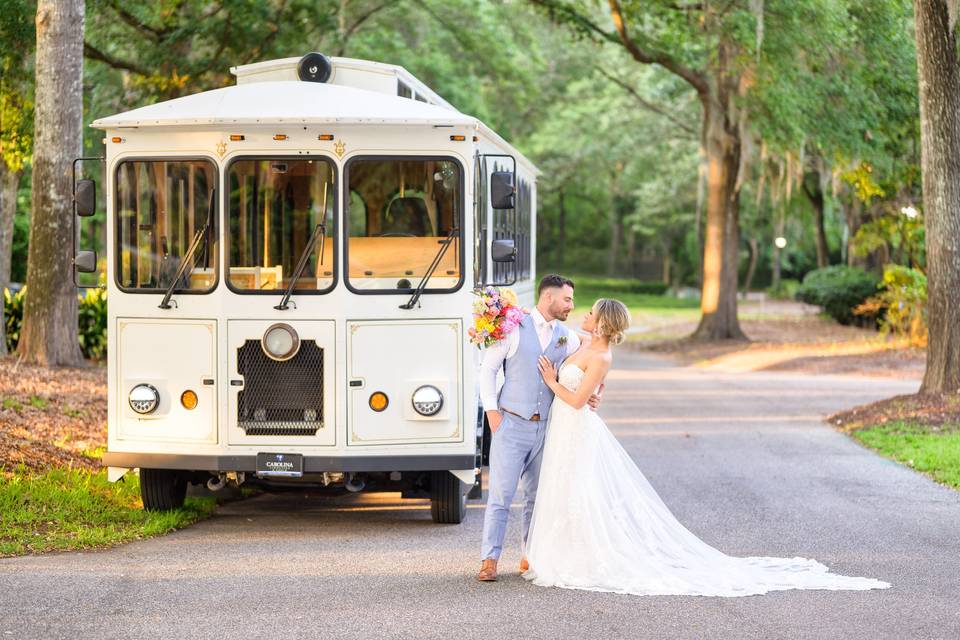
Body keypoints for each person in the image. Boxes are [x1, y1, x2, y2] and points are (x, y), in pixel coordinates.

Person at [522, 298, 891, 597]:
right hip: (566, 431)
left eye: (591, 313)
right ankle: (560, 551)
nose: (585, 315)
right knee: (564, 489)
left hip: (575, 426)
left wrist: (553, 382)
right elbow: (589, 386)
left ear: (603, 323)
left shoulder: (601, 356)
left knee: (579, 492)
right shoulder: (585, 344)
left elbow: (576, 400)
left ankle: (579, 557)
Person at [476, 274, 601, 582]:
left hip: (547, 429)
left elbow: (595, 358)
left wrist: (596, 392)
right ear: (549, 298)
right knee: (501, 497)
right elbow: (488, 369)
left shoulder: (566, 336)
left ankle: (529, 556)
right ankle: (489, 559)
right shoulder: (512, 328)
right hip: (511, 424)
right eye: (567, 299)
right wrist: (492, 413)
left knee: (537, 497)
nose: (571, 305)